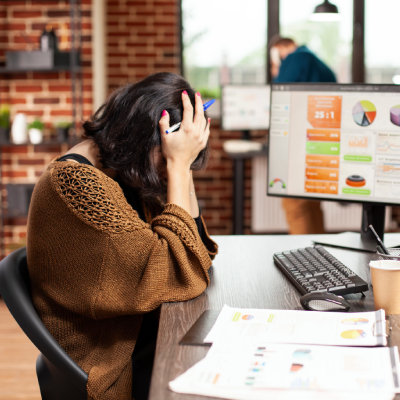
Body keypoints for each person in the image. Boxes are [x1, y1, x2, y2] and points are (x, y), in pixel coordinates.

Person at [26, 72, 218, 400]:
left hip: (132, 330)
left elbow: (193, 245)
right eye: (167, 157)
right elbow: (175, 272)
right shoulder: (76, 186)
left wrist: (182, 166)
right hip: (108, 355)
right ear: (146, 136)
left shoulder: (120, 172)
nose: (167, 170)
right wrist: (178, 166)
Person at [269, 36, 337, 234]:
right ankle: (317, 255)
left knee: (295, 206)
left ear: (280, 49)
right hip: (320, 143)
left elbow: (279, 92)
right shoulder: (319, 64)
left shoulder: (295, 59)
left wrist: (276, 68)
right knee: (311, 205)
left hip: (299, 143)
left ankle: (303, 257)